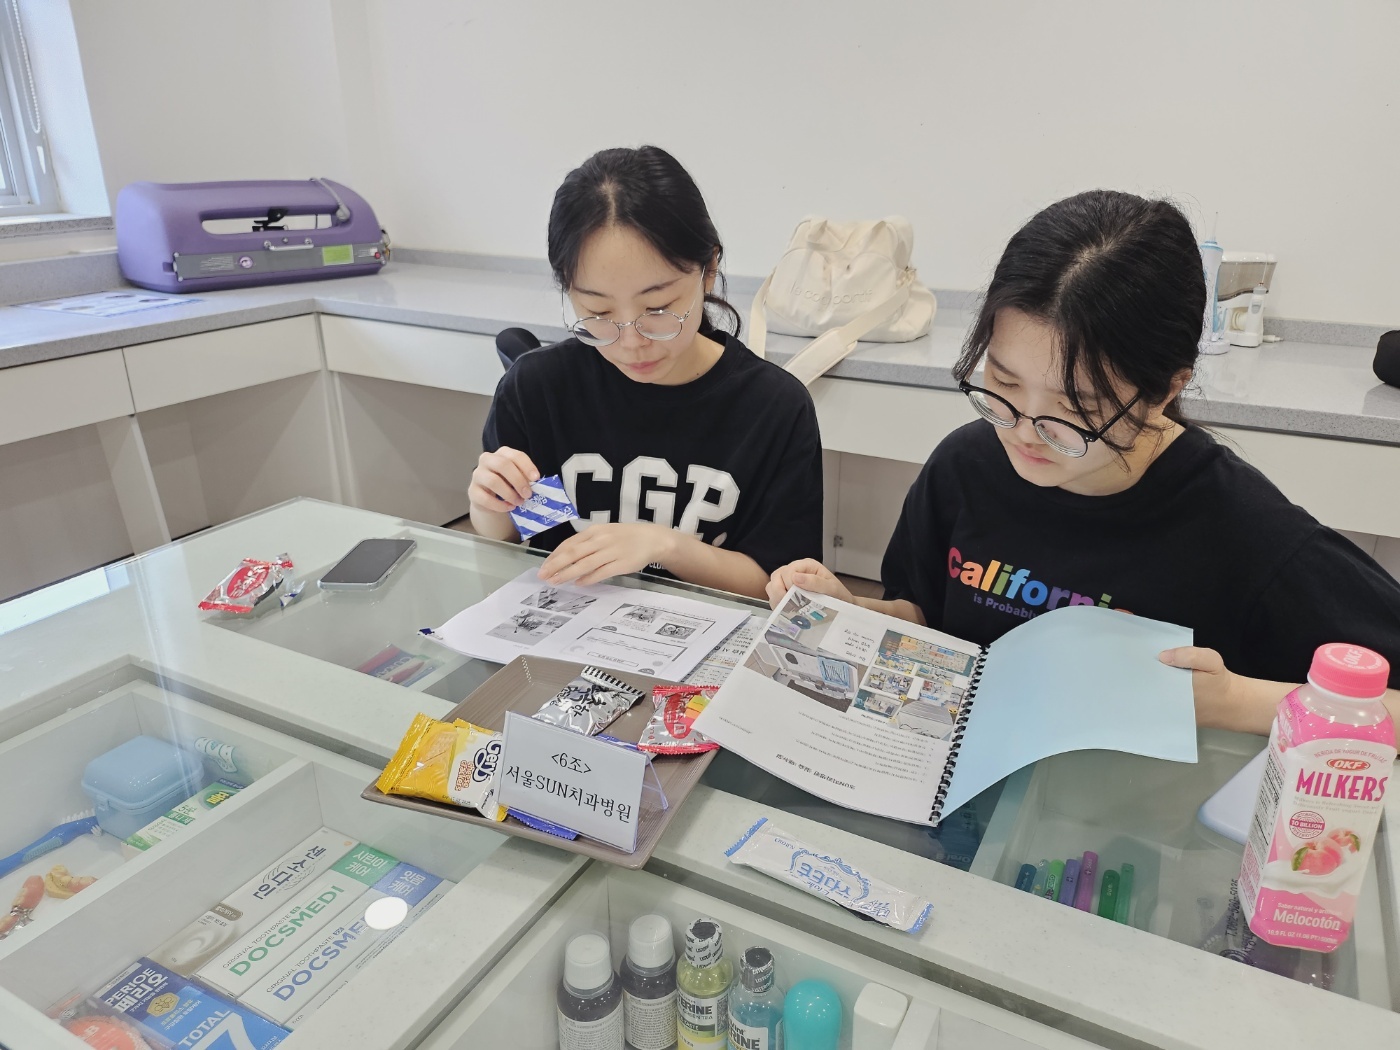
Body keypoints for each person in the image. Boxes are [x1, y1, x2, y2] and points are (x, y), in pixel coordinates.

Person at [768, 189, 1400, 737]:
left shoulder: (1243, 529)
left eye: (1075, 409)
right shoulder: (967, 464)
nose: (1025, 431)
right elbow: (926, 618)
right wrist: (849, 611)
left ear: (1165, 389)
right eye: (1003, 384)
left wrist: (1235, 701)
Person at [471, 146, 822, 600]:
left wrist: (665, 546)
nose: (631, 341)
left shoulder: (773, 408)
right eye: (598, 312)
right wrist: (490, 505)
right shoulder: (538, 389)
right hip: (562, 627)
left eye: (658, 308)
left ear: (709, 270)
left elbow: (779, 587)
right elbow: (516, 536)